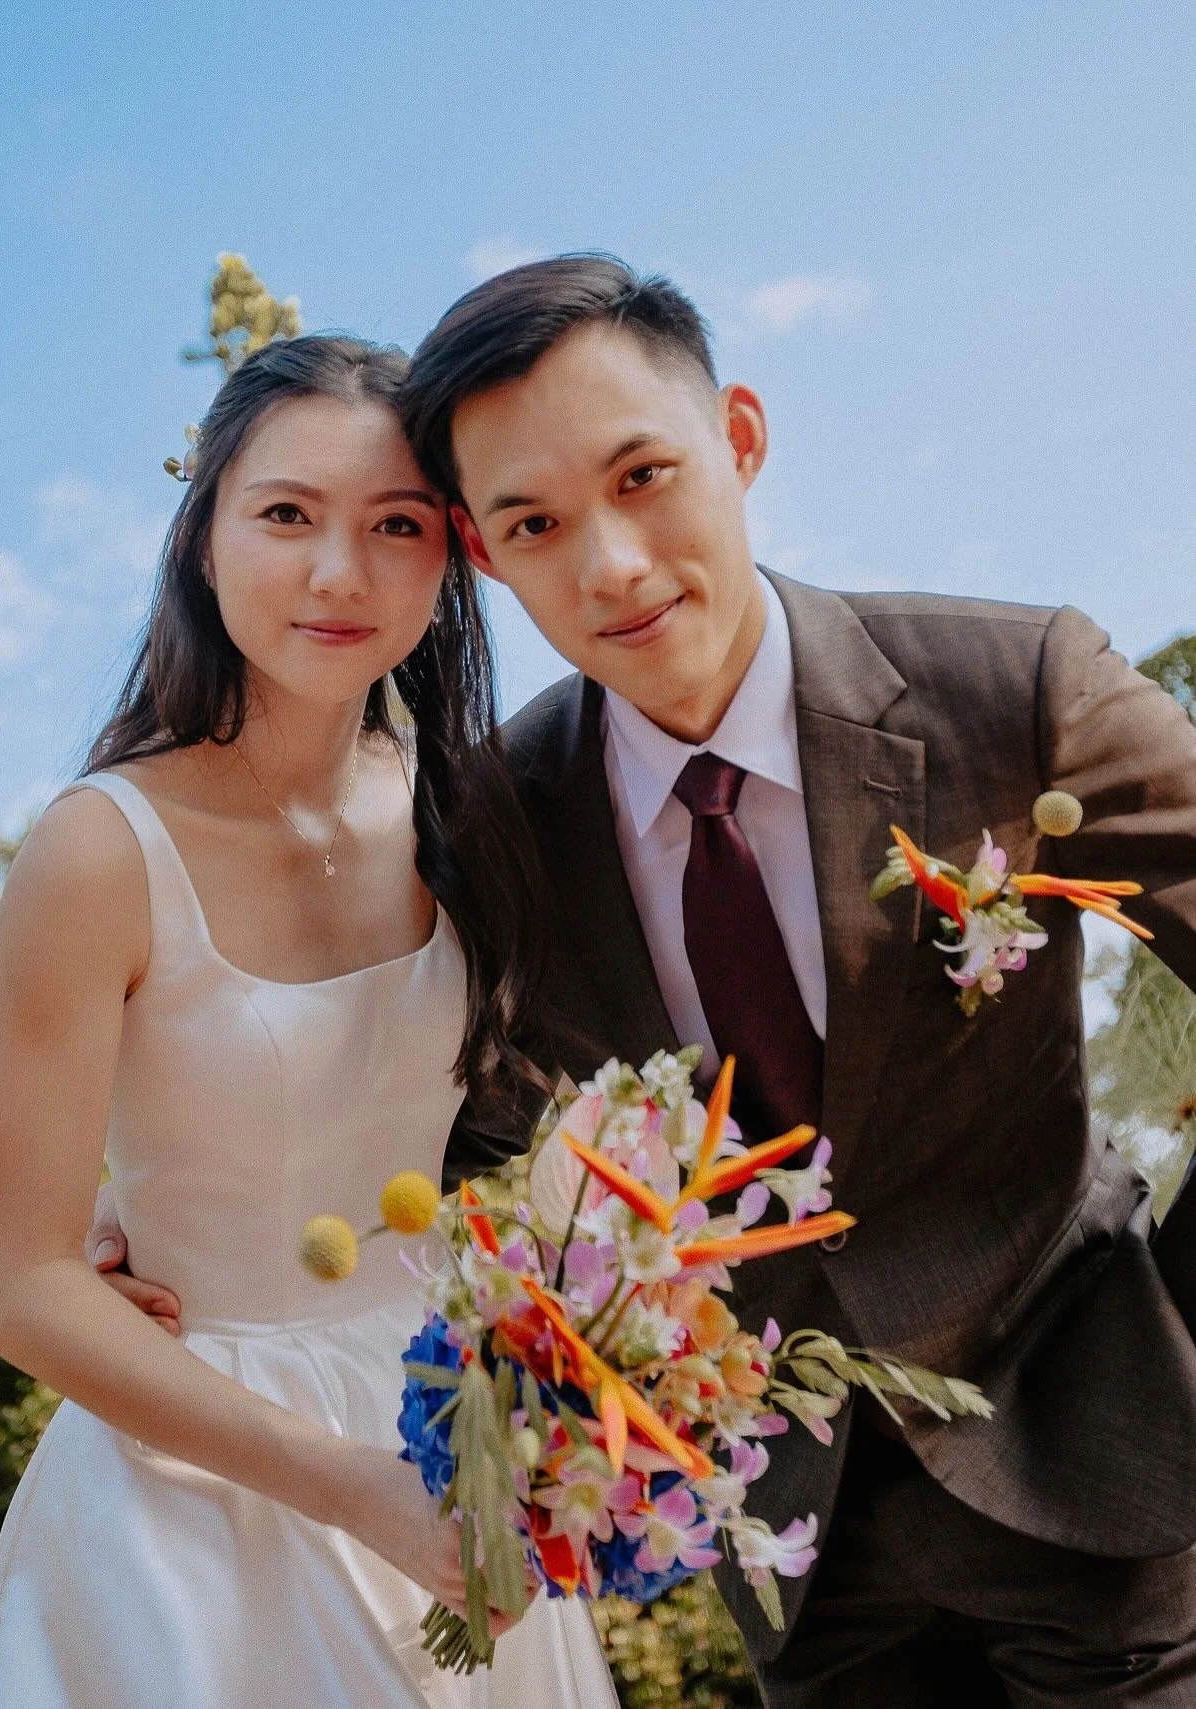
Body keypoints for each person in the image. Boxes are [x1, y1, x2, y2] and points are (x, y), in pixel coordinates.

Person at [397, 257, 1196, 1705]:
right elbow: (439, 1141)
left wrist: (1180, 1315)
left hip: (1119, 1494)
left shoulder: (1013, 691)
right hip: (797, 1571)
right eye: (535, 524)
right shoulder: (488, 832)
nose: (612, 565)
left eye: (644, 475)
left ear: (741, 438)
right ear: (477, 551)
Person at [0, 334, 617, 1708]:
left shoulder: (468, 807)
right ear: (201, 536)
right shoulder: (97, 851)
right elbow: (19, 1284)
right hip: (197, 1489)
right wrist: (354, 1490)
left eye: (395, 526)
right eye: (285, 515)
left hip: (452, 1432)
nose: (339, 575)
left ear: (450, 560)